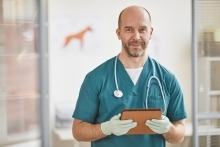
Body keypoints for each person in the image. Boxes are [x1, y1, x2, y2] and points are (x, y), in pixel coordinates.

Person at [72, 5, 187, 147]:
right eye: (129, 29)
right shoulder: (96, 78)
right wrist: (106, 128)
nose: (136, 37)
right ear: (118, 33)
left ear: (150, 32)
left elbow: (180, 133)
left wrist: (169, 129)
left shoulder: (167, 79)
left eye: (142, 29)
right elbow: (78, 131)